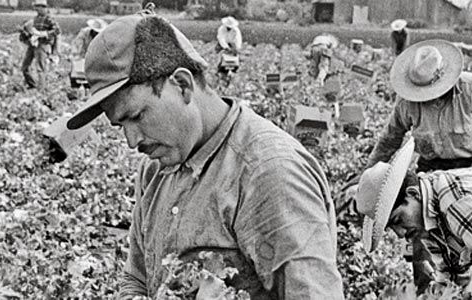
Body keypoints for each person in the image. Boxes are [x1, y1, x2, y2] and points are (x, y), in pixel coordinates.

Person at [65, 11, 345, 299]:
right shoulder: (156, 170)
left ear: (183, 85)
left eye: (136, 116)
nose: (131, 140)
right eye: (120, 125)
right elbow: (136, 279)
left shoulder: (270, 173)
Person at [365, 39, 472, 294]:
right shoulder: (407, 101)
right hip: (430, 170)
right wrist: (368, 175)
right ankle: (428, 290)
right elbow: (390, 137)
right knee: (421, 232)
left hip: (470, 168)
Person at [356, 138, 472, 299]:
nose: (400, 234)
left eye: (397, 220)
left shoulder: (457, 205)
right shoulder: (429, 216)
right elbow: (451, 276)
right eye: (391, 228)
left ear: (413, 194)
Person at [20, 0, 61, 89]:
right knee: (25, 67)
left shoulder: (49, 18)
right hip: (33, 44)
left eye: (38, 7)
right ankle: (33, 85)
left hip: (43, 44)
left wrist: (44, 33)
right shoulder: (35, 19)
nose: (36, 9)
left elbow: (57, 30)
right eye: (36, 7)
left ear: (43, 8)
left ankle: (41, 90)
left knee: (40, 69)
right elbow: (30, 31)